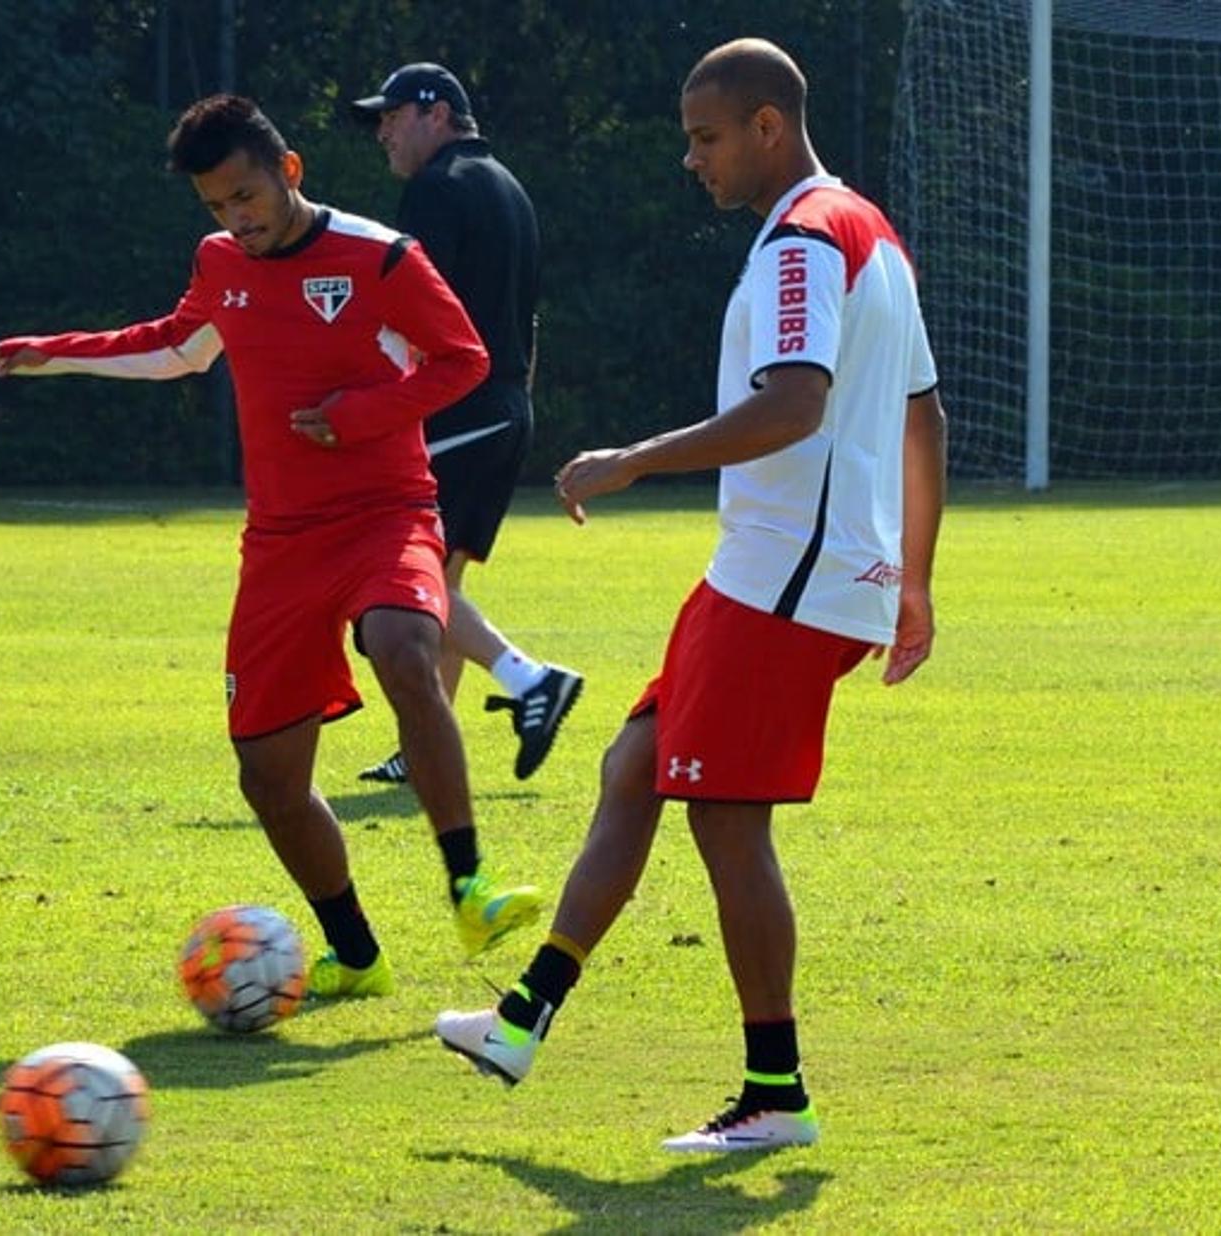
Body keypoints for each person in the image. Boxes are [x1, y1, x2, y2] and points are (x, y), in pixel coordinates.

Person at [433, 39, 948, 1152]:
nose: (691, 159)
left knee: (725, 818)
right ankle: (521, 1022)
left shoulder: (806, 242)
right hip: (776, 577)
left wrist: (634, 459)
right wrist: (915, 582)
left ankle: (777, 1094)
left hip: (784, 583)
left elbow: (795, 405)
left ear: (769, 126)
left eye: (706, 137)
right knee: (633, 766)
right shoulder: (873, 235)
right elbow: (922, 415)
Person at [0, 94, 543, 998]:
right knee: (268, 780)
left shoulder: (383, 257)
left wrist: (359, 416)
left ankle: (471, 886)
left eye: (246, 195)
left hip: (388, 512)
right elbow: (176, 348)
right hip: (280, 545)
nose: (237, 218)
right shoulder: (221, 264)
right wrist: (49, 352)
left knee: (403, 645)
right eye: (217, 205)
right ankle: (357, 954)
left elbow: (463, 359)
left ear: (290, 170)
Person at [347, 63, 582, 786]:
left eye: (391, 115)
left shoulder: (436, 191)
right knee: (438, 579)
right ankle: (427, 751)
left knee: (396, 577)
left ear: (436, 112)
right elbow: (527, 316)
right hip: (507, 409)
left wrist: (371, 404)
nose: (382, 129)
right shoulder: (507, 186)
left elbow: (414, 313)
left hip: (459, 409)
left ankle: (528, 679)